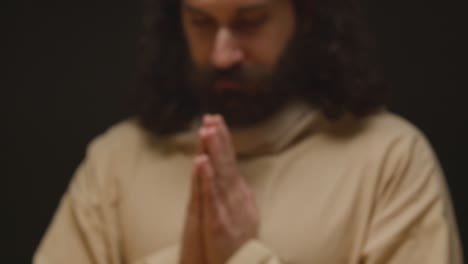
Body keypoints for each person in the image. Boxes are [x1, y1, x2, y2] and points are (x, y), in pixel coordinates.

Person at [34, 0, 463, 263]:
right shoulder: (117, 159)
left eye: (251, 20)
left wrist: (245, 256)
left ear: (306, 13)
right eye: (200, 22)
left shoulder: (389, 158)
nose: (222, 54)